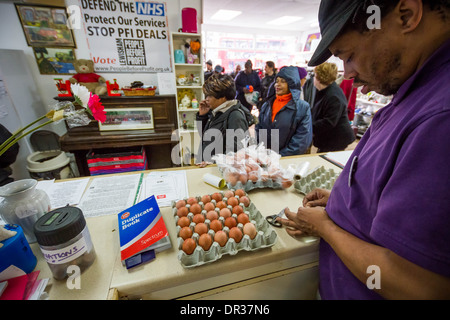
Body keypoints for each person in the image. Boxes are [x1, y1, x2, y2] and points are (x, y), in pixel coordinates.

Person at [277, 0, 450, 300]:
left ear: (406, 15)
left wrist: (328, 229)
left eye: (350, 55)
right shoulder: (416, 88)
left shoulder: (440, 117)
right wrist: (345, 203)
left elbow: (419, 286)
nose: (347, 73)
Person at [196, 74, 253, 166]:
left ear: (223, 97)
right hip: (210, 170)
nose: (206, 99)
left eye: (210, 96)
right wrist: (203, 116)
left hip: (219, 174)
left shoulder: (235, 116)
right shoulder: (217, 111)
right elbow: (207, 137)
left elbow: (236, 155)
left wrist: (213, 164)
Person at [256, 66, 312, 156]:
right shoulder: (267, 105)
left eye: (283, 81)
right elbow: (259, 128)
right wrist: (262, 152)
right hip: (265, 159)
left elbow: (302, 140)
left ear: (292, 83)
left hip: (286, 161)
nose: (277, 84)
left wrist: (279, 156)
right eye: (277, 81)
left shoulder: (303, 108)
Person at [311, 62, 355, 153]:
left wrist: (309, 126)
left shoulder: (333, 96)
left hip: (336, 138)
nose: (313, 78)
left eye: (315, 76)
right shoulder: (324, 91)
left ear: (320, 78)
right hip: (330, 136)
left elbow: (329, 122)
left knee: (325, 160)